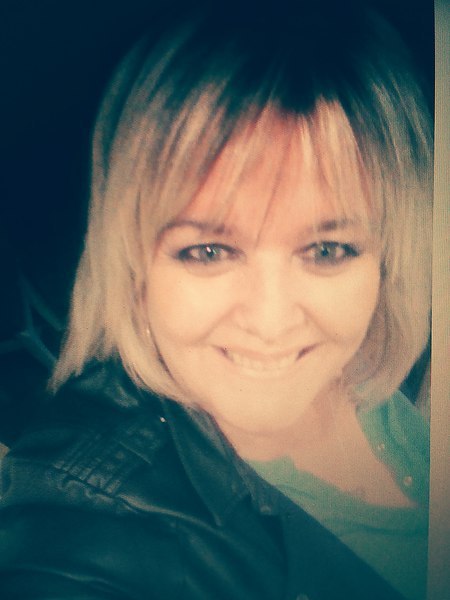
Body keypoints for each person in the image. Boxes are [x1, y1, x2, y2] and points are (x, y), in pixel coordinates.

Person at [0, 1, 432, 598]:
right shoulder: (92, 520)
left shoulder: (382, 366)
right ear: (132, 265)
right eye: (208, 251)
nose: (271, 322)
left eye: (327, 250)